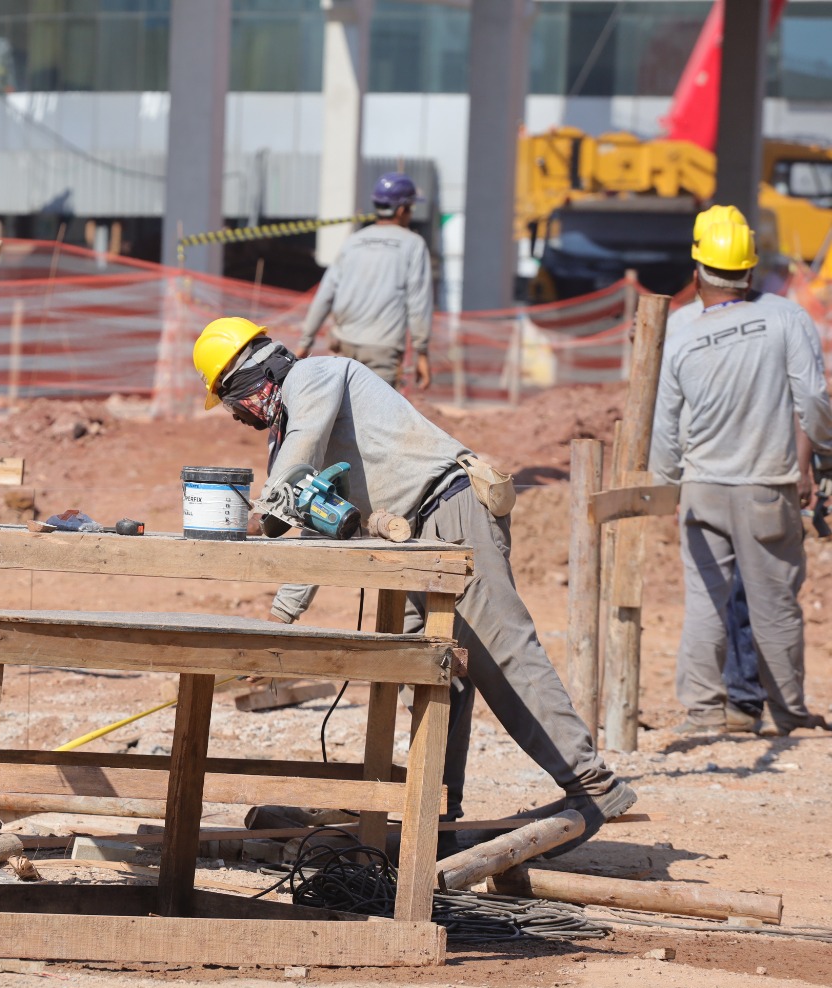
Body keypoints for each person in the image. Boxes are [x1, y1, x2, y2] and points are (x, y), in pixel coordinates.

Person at [191, 316, 636, 850]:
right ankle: (438, 813)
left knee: (503, 651)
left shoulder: (315, 377)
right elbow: (311, 524)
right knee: (428, 673)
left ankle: (591, 783)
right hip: (407, 541)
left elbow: (299, 461)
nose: (237, 416)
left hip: (449, 511)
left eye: (230, 401)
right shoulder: (289, 434)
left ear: (248, 381)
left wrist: (262, 509)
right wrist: (281, 618)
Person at [649, 213, 832, 738]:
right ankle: (787, 714)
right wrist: (823, 449)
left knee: (706, 601)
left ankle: (704, 714)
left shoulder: (681, 329)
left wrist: (667, 482)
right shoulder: (785, 317)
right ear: (750, 271)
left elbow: (664, 422)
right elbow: (813, 400)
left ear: (699, 267)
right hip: (766, 488)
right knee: (774, 602)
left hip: (701, 488)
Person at [296, 172, 433, 390]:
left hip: (344, 345)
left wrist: (306, 341)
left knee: (344, 410)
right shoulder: (413, 244)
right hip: (382, 349)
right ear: (400, 209)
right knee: (377, 416)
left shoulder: (353, 242)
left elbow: (325, 294)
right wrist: (422, 353)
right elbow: (418, 303)